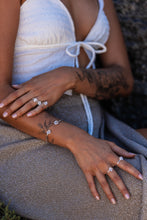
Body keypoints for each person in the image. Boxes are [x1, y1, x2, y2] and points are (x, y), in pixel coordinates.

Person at [0, 0, 147, 219]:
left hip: (98, 128)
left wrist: (70, 77)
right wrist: (77, 140)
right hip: (25, 135)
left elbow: (124, 79)